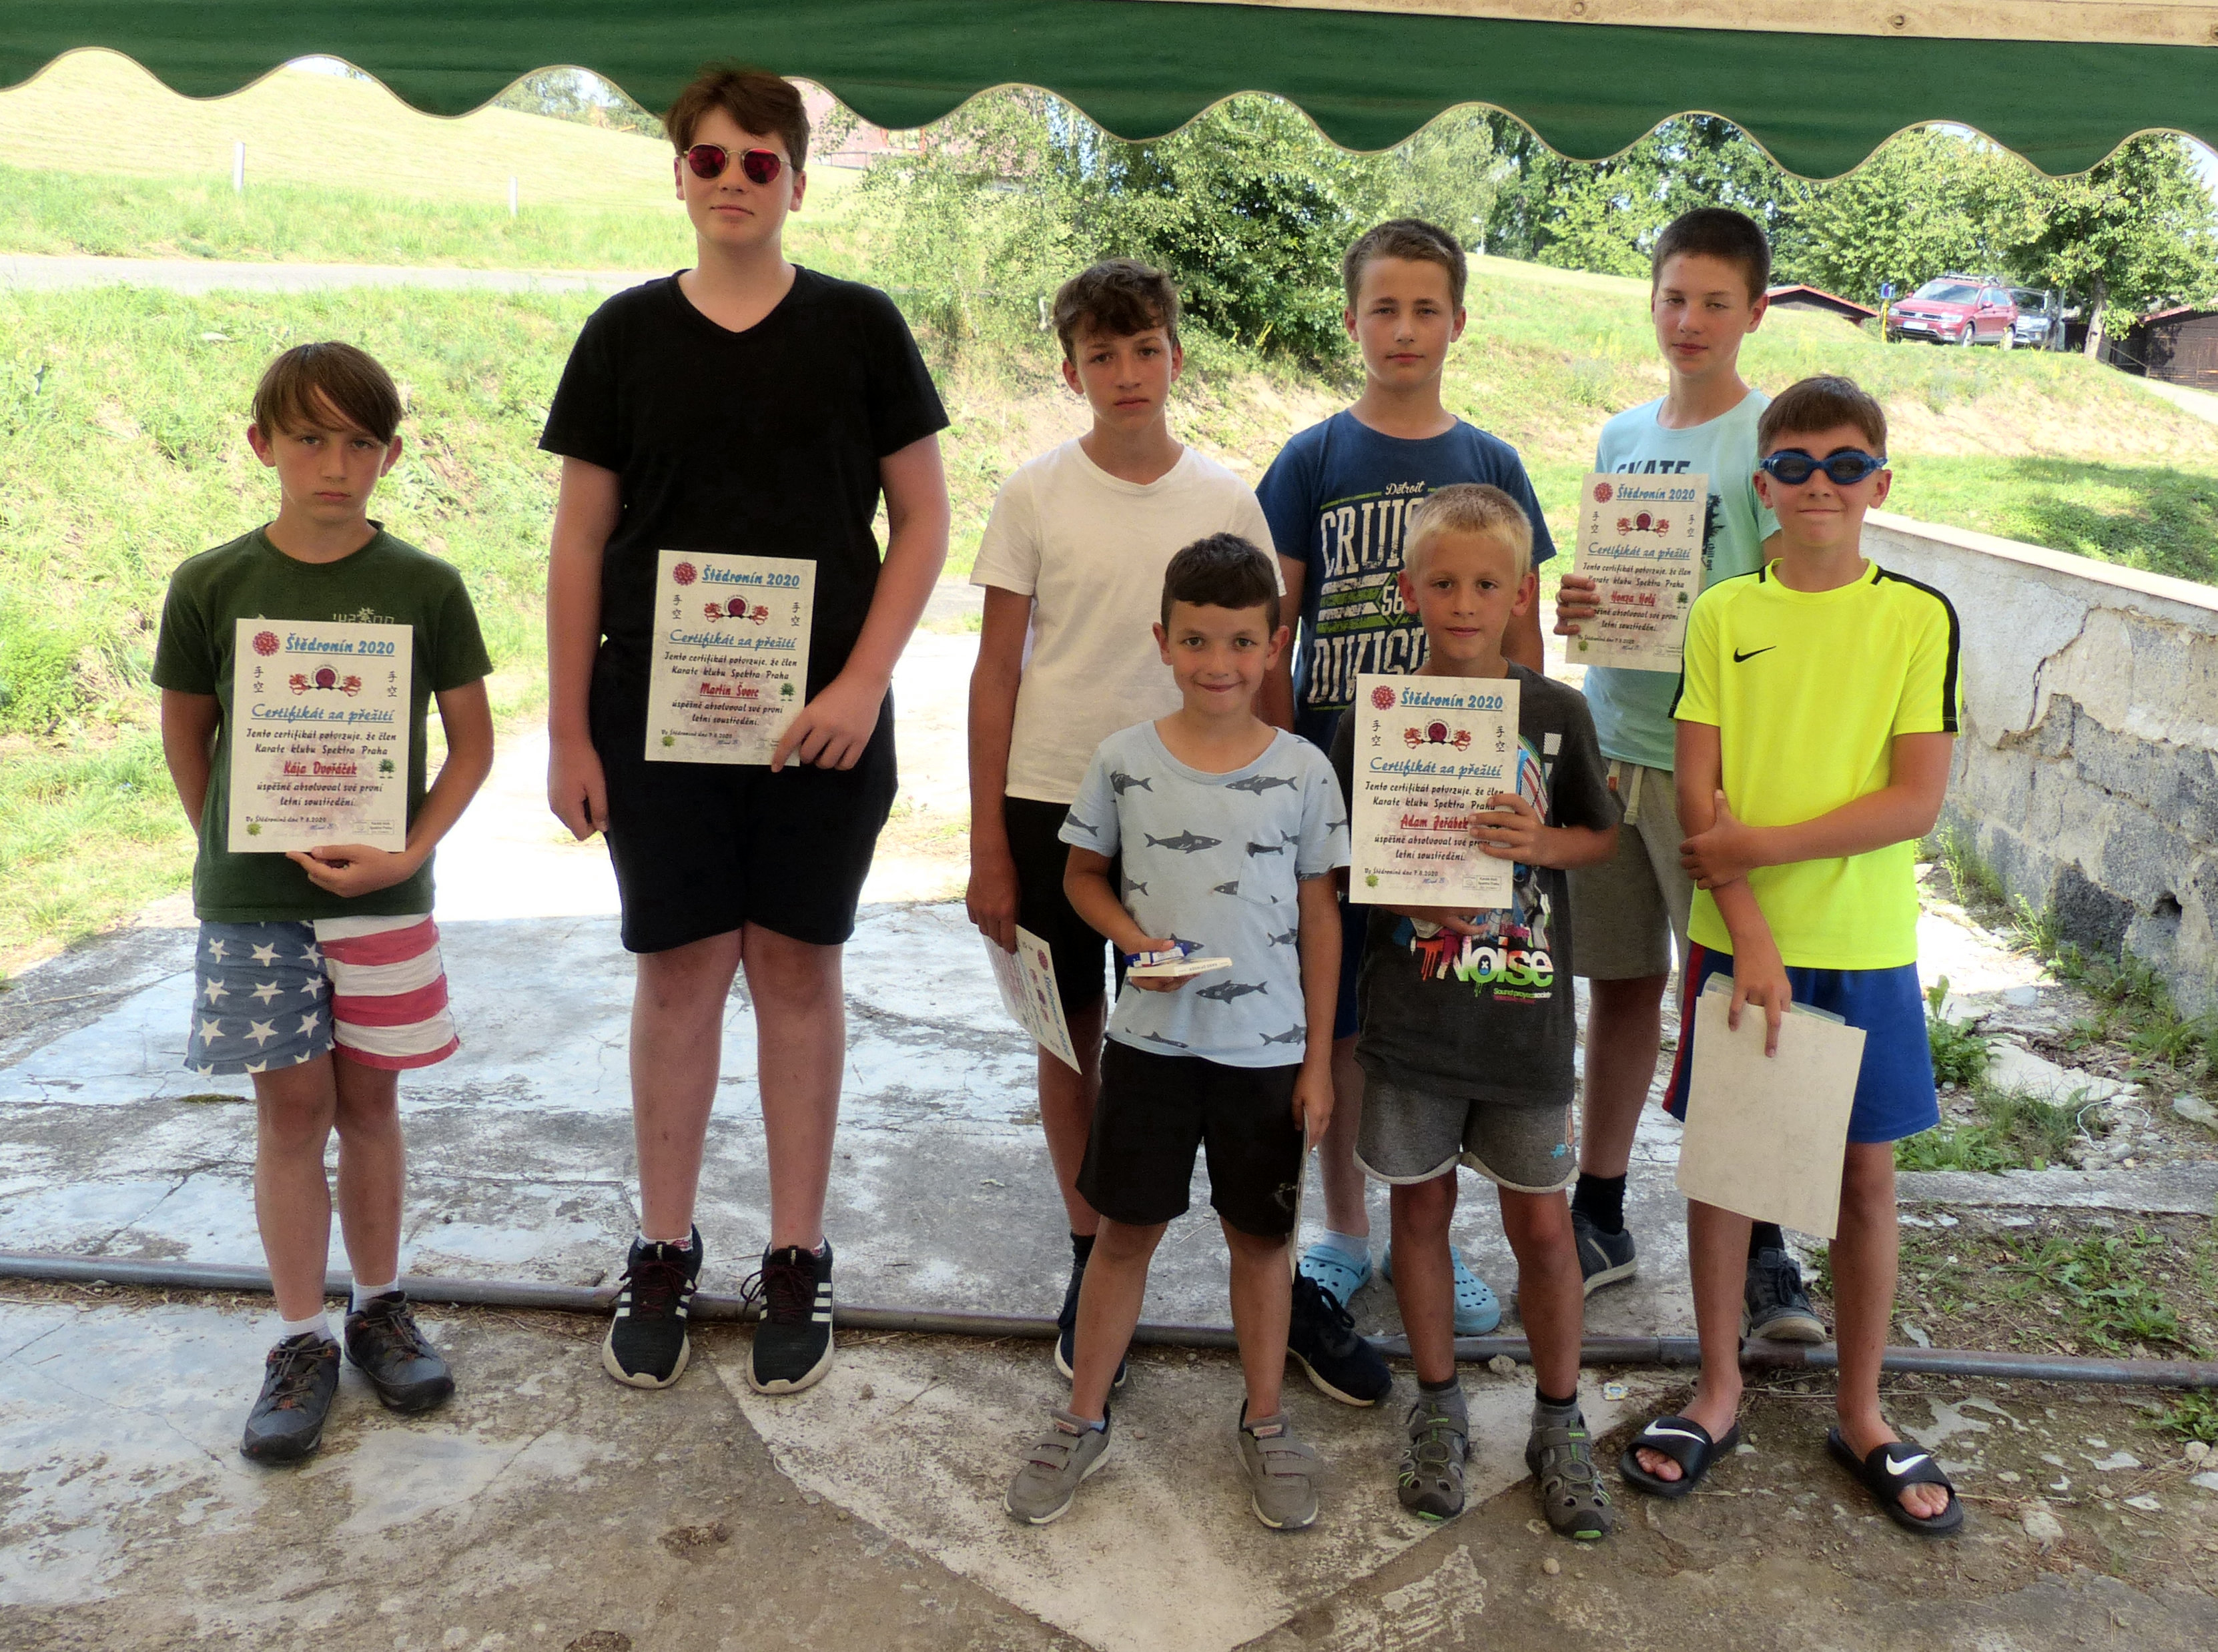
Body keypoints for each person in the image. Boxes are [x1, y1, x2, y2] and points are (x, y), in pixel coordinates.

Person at [539, 64, 951, 1396]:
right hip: (653, 718)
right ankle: (662, 1244)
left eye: (759, 162)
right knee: (677, 972)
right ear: (677, 175)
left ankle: (795, 1250)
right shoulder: (621, 335)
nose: (732, 181)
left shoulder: (860, 327)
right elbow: (580, 541)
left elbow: (924, 522)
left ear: (797, 183)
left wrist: (863, 684)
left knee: (795, 969)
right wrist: (567, 731)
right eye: (709, 160)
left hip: (819, 723)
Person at [1622, 375, 1963, 1538]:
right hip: (1740, 941)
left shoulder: (1917, 618)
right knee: (1729, 1173)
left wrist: (1761, 847)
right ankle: (1717, 1393)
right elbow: (1698, 798)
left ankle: (1861, 1412)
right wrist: (1752, 928)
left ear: (1881, 483)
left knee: (1866, 1180)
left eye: (1847, 464)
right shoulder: (1723, 614)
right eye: (1798, 465)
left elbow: (1913, 800)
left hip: (1865, 945)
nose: (1823, 484)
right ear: (1763, 485)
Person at [153, 342, 495, 1462]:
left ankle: (380, 1307)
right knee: (291, 1115)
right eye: (309, 438)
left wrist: (407, 853)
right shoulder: (211, 584)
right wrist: (240, 841)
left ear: (392, 454)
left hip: (383, 903)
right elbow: (188, 734)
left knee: (372, 1108)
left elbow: (472, 744)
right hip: (253, 904)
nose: (335, 464)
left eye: (360, 442)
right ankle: (299, 1336)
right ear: (263, 445)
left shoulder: (427, 586)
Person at [966, 259, 1280, 1388]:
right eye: (1102, 355)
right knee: (1072, 1039)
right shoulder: (1032, 495)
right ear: (1071, 372)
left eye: (1146, 349)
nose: (1128, 373)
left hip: (1187, 811)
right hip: (1051, 803)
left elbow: (1265, 665)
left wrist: (1281, 821)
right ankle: (1087, 1251)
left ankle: (1243, 1258)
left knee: (1185, 1037)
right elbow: (997, 671)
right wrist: (987, 845)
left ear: (1176, 356)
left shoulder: (1227, 501)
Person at [1003, 535, 1349, 1530]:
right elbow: (1081, 876)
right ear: (1163, 641)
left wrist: (1319, 1062)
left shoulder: (1304, 772)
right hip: (1151, 1048)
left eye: (1241, 642)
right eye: (1196, 640)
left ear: (1275, 645)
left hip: (1268, 1058)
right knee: (1123, 1236)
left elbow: (1322, 915)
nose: (1218, 663)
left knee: (1263, 1242)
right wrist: (1132, 937)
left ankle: (1267, 1420)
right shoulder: (1123, 760)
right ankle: (1082, 1415)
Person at [1258, 218, 1555, 1342]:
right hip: (1339, 788)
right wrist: (1287, 769)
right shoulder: (1312, 460)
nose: (1404, 328)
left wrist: (1527, 780)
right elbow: (1275, 626)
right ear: (1352, 320)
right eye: (1384, 307)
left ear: (1459, 323)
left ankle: (1434, 1233)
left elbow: (1526, 643)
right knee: (1341, 1017)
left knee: (1449, 1008)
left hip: (1457, 807)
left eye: (1427, 308)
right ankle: (1344, 1231)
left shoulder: (1494, 466)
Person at [1551, 208, 1822, 1341]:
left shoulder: (1773, 438)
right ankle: (1601, 1211)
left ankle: (1765, 1247)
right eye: (1674, 297)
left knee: (1738, 999)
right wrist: (1580, 603)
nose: (1691, 320)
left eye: (1716, 301)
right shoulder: (1621, 436)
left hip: (1717, 772)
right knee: (1620, 988)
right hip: (1610, 749)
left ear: (1756, 311)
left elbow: (1795, 603)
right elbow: (1602, 591)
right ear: (1650, 302)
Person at [1329, 486, 1617, 1533]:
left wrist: (1542, 845)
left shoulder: (1558, 714)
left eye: (1486, 584)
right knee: (1419, 1214)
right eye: (1443, 583)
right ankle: (1438, 1405)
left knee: (1542, 1225)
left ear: (1520, 593)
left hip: (1524, 1024)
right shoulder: (1376, 717)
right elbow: (1344, 858)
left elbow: (1599, 834)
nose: (1463, 602)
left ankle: (1559, 1418)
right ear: (1409, 592)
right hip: (1412, 1028)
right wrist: (1398, 887)